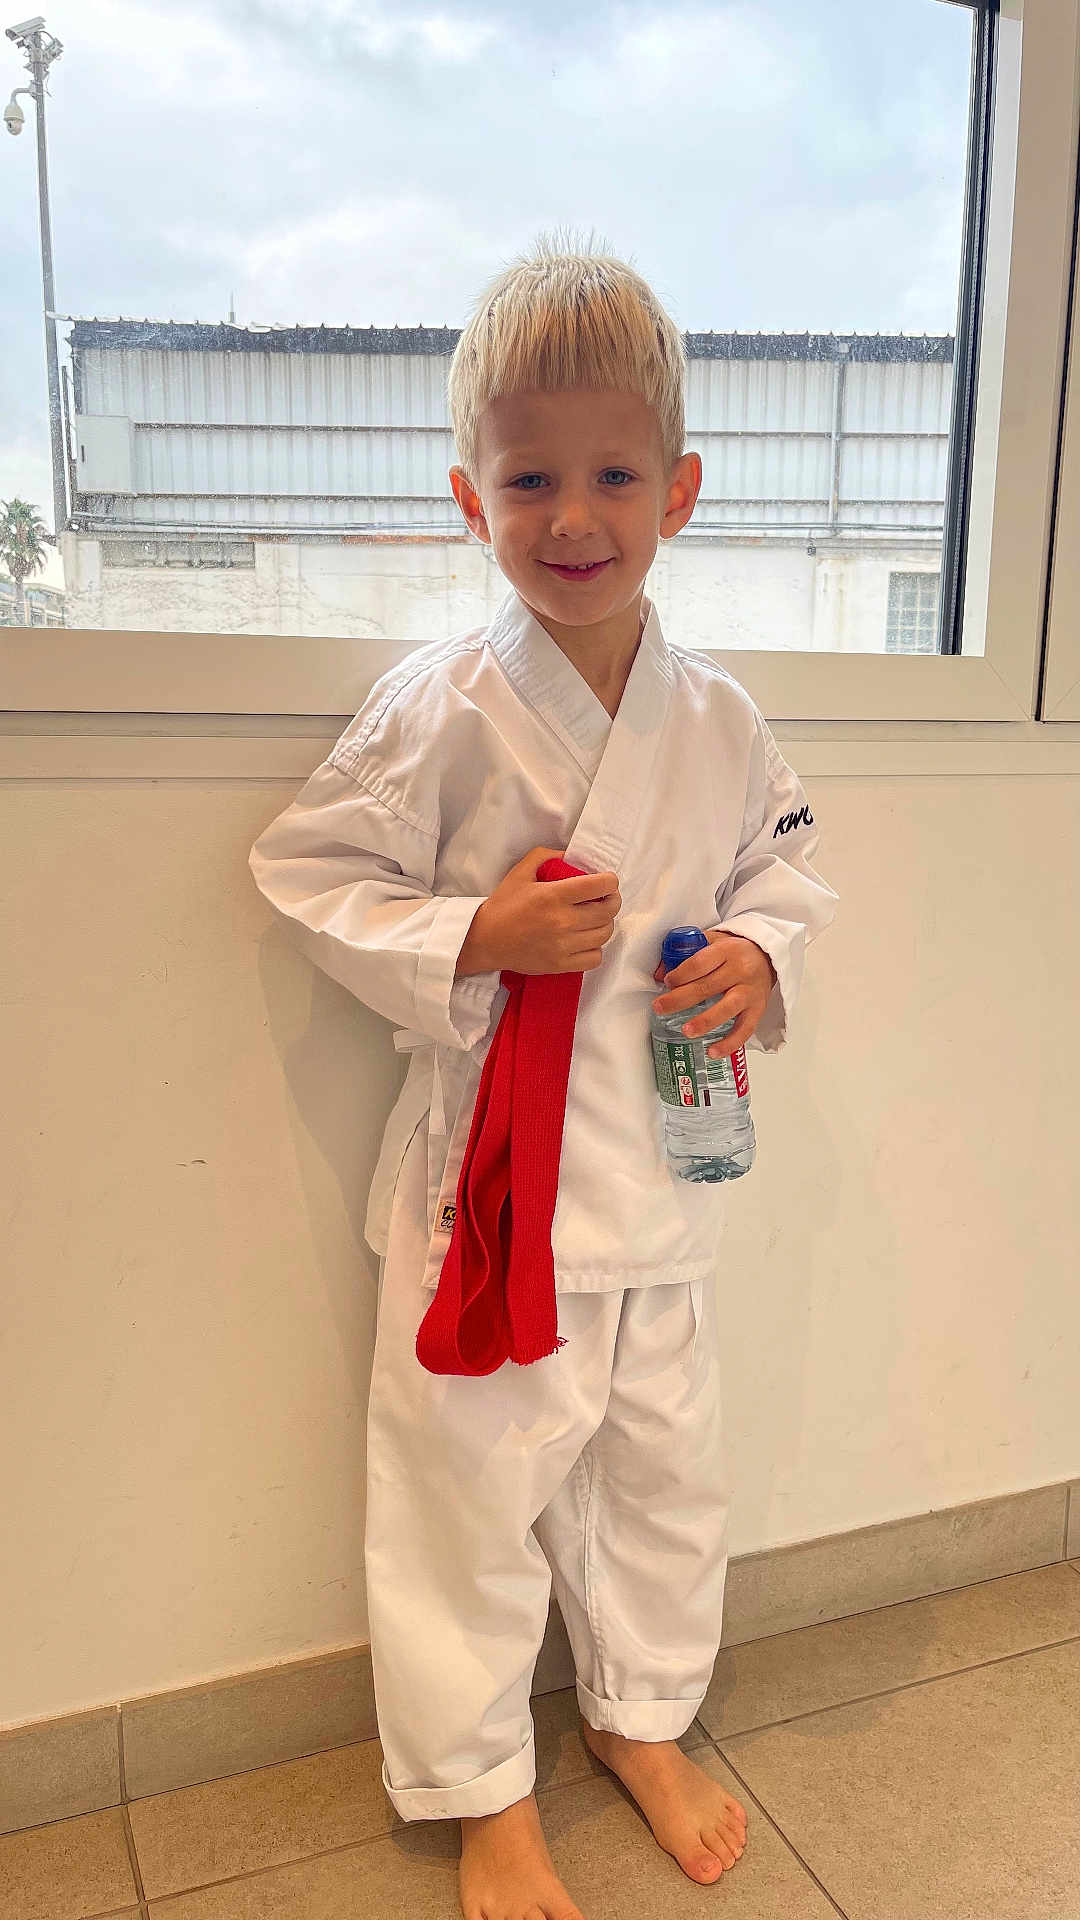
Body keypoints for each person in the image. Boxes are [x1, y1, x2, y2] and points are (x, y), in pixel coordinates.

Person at [248, 234, 838, 1920]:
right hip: (493, 1202)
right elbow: (310, 874)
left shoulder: (719, 720)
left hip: (660, 1184)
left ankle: (642, 1720)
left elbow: (789, 879)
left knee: (667, 1477)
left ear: (681, 490)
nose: (572, 518)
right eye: (529, 479)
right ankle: (483, 1788)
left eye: (612, 476)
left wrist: (759, 957)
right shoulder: (437, 707)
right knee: (468, 1502)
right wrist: (475, 937)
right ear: (467, 498)